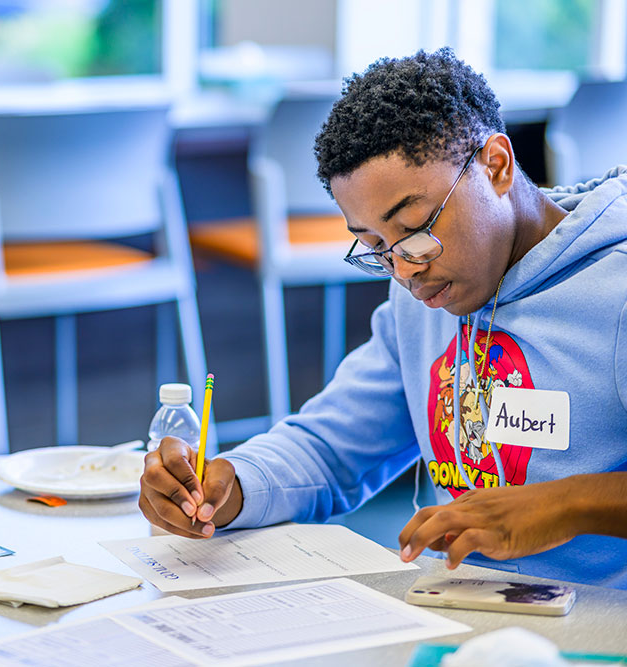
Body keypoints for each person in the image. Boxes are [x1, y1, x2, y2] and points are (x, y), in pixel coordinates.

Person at [140, 48, 627, 589]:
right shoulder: (428, 298)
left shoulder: (615, 293)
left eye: (415, 227)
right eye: (374, 246)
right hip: (474, 616)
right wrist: (232, 485)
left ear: (497, 166)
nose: (405, 269)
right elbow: (331, 447)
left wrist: (571, 502)